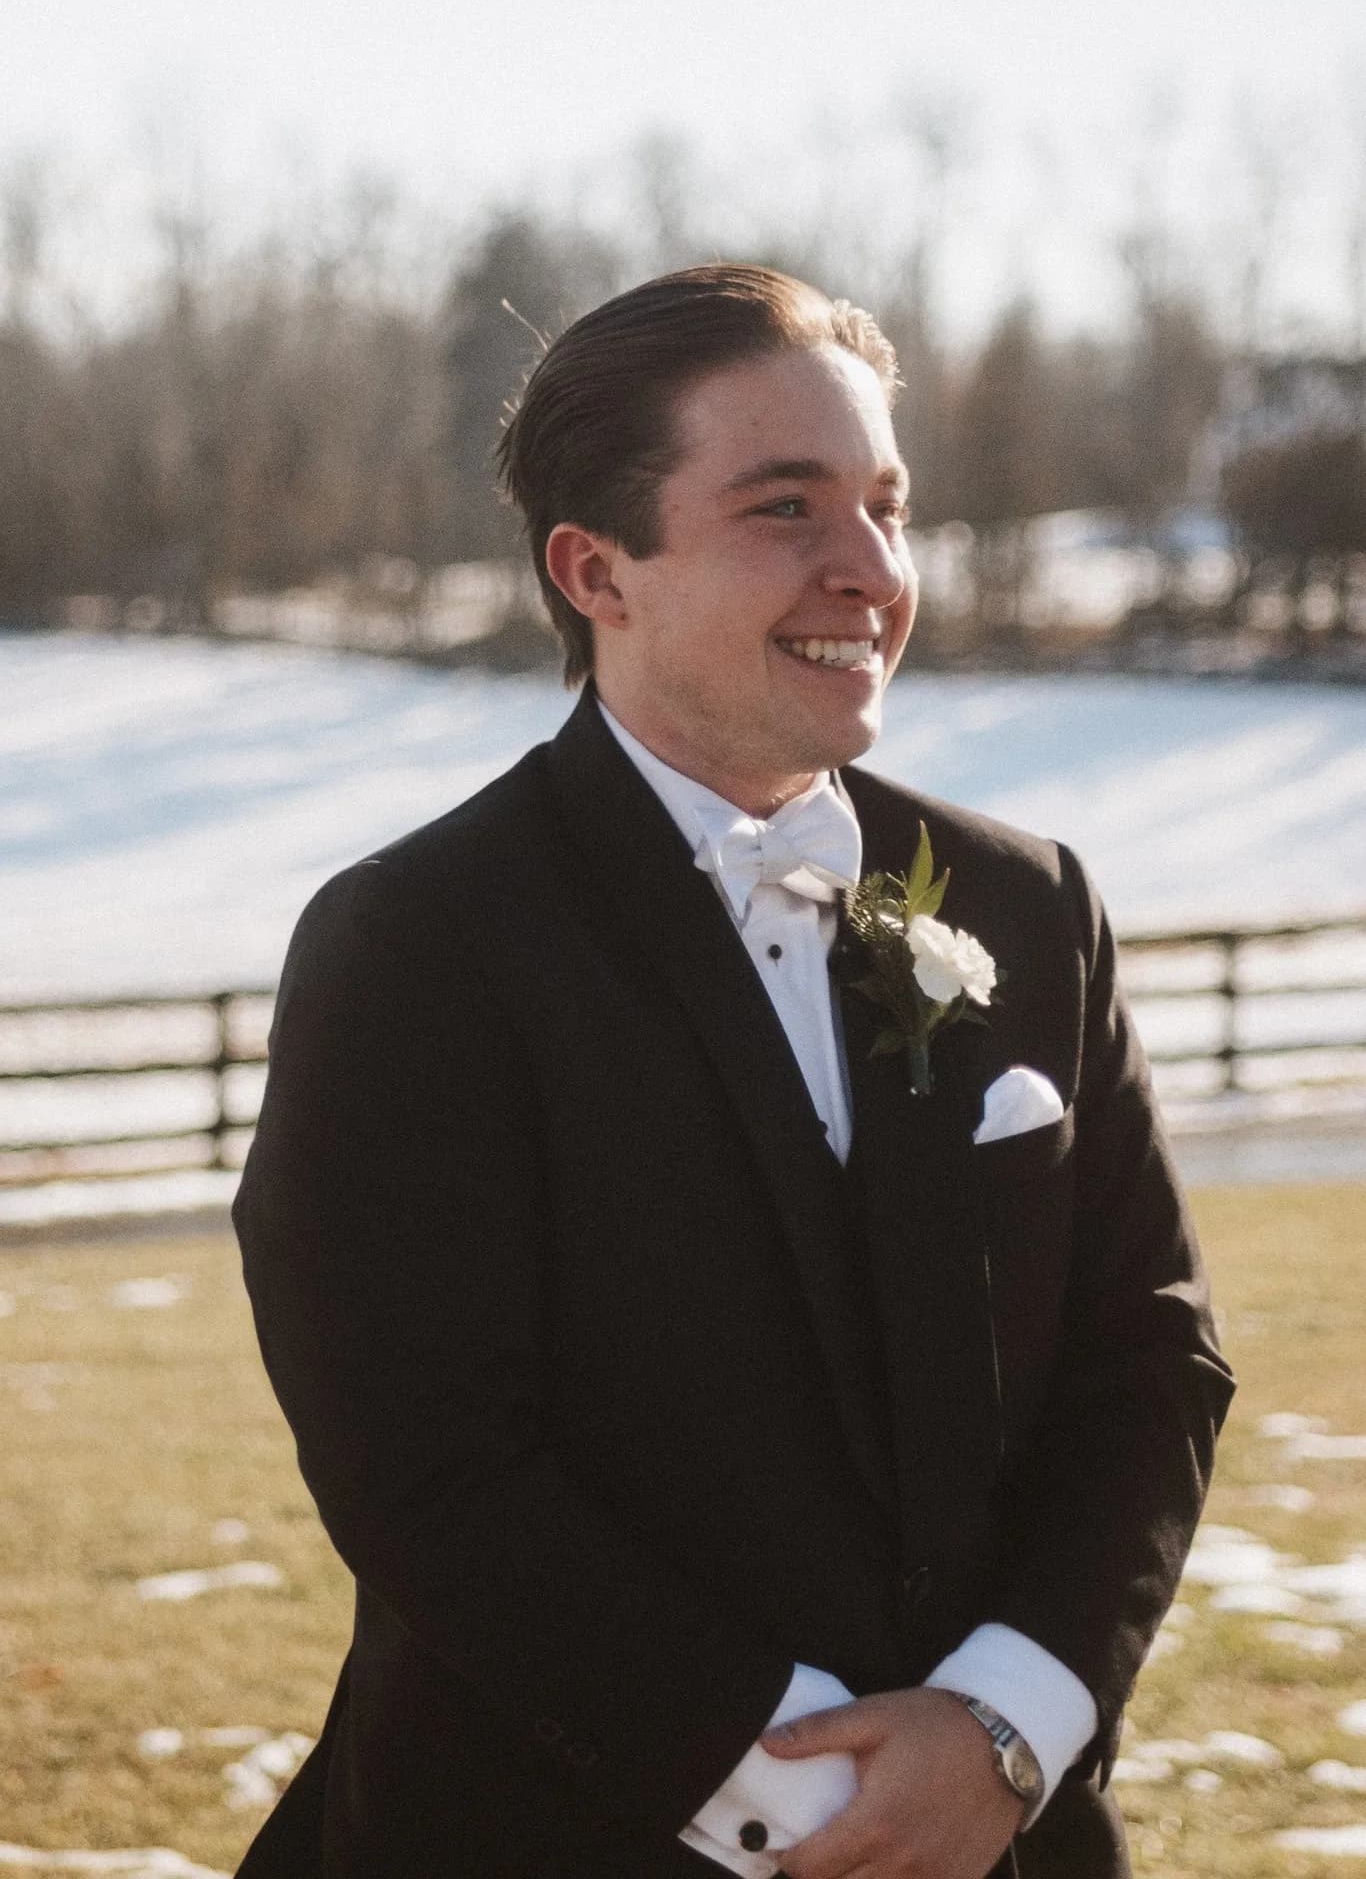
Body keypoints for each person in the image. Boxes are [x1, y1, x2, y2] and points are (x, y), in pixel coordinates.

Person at [232, 263, 1234, 1879]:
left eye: (885, 508)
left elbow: (1150, 1360)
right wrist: (806, 1802)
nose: (871, 572)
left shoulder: (1026, 907)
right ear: (595, 569)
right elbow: (427, 1462)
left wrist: (1001, 1725)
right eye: (785, 508)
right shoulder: (415, 945)